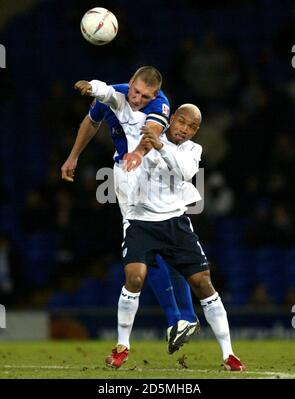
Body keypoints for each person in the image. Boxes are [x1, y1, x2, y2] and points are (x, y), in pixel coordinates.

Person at [97, 101, 245, 371]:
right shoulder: (148, 133)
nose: (185, 130)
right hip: (141, 222)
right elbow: (121, 113)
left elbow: (185, 172)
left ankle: (229, 355)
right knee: (135, 277)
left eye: (192, 127)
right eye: (182, 122)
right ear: (173, 118)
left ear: (196, 131)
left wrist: (160, 145)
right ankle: (121, 348)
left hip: (175, 222)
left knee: (203, 282)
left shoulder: (192, 150)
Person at [61, 66, 199, 353]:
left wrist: (136, 153)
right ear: (130, 83)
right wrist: (73, 156)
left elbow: (152, 132)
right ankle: (182, 318)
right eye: (135, 92)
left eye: (145, 96)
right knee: (156, 245)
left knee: (153, 244)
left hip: (157, 173)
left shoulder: (160, 103)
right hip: (131, 174)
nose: (138, 99)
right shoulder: (117, 95)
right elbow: (92, 121)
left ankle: (181, 317)